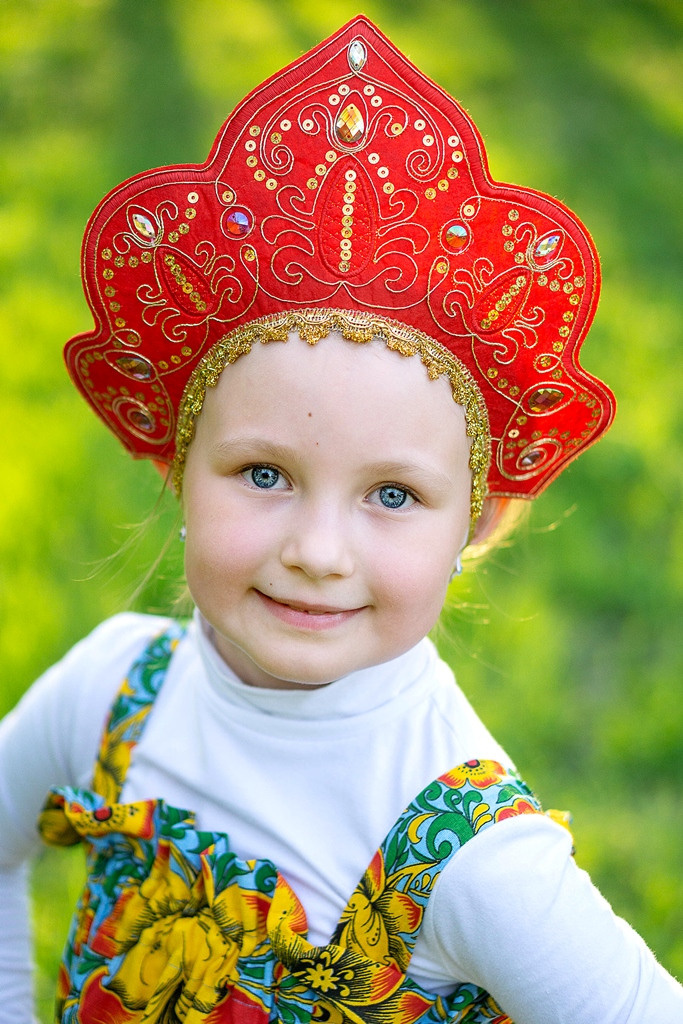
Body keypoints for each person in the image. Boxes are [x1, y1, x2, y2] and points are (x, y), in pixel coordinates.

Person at [1, 16, 680, 1024]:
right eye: (263, 473)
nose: (316, 552)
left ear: (473, 524)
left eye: (391, 495)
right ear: (179, 468)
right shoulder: (111, 697)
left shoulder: (472, 863)